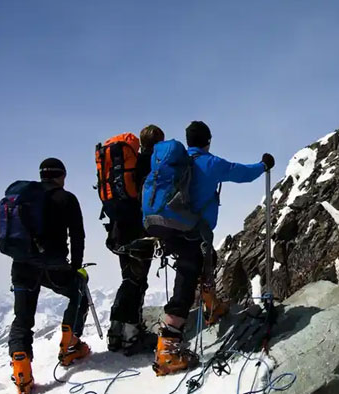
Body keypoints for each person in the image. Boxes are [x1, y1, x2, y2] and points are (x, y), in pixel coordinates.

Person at [151, 121, 275, 376]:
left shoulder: (180, 163)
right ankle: (167, 349)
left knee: (207, 258)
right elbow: (242, 173)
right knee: (186, 277)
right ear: (208, 140)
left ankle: (212, 307)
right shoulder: (209, 163)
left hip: (169, 228)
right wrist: (263, 166)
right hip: (191, 231)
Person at [0, 158, 89, 394]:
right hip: (54, 267)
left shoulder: (22, 199)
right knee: (79, 292)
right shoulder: (67, 198)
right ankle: (70, 346)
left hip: (22, 265)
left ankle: (22, 374)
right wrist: (76, 267)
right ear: (61, 175)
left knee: (22, 320)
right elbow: (77, 236)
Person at [106, 125, 165, 354]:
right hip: (140, 231)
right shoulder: (152, 165)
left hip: (118, 229)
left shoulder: (126, 164)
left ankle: (115, 332)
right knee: (137, 280)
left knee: (128, 279)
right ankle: (131, 336)